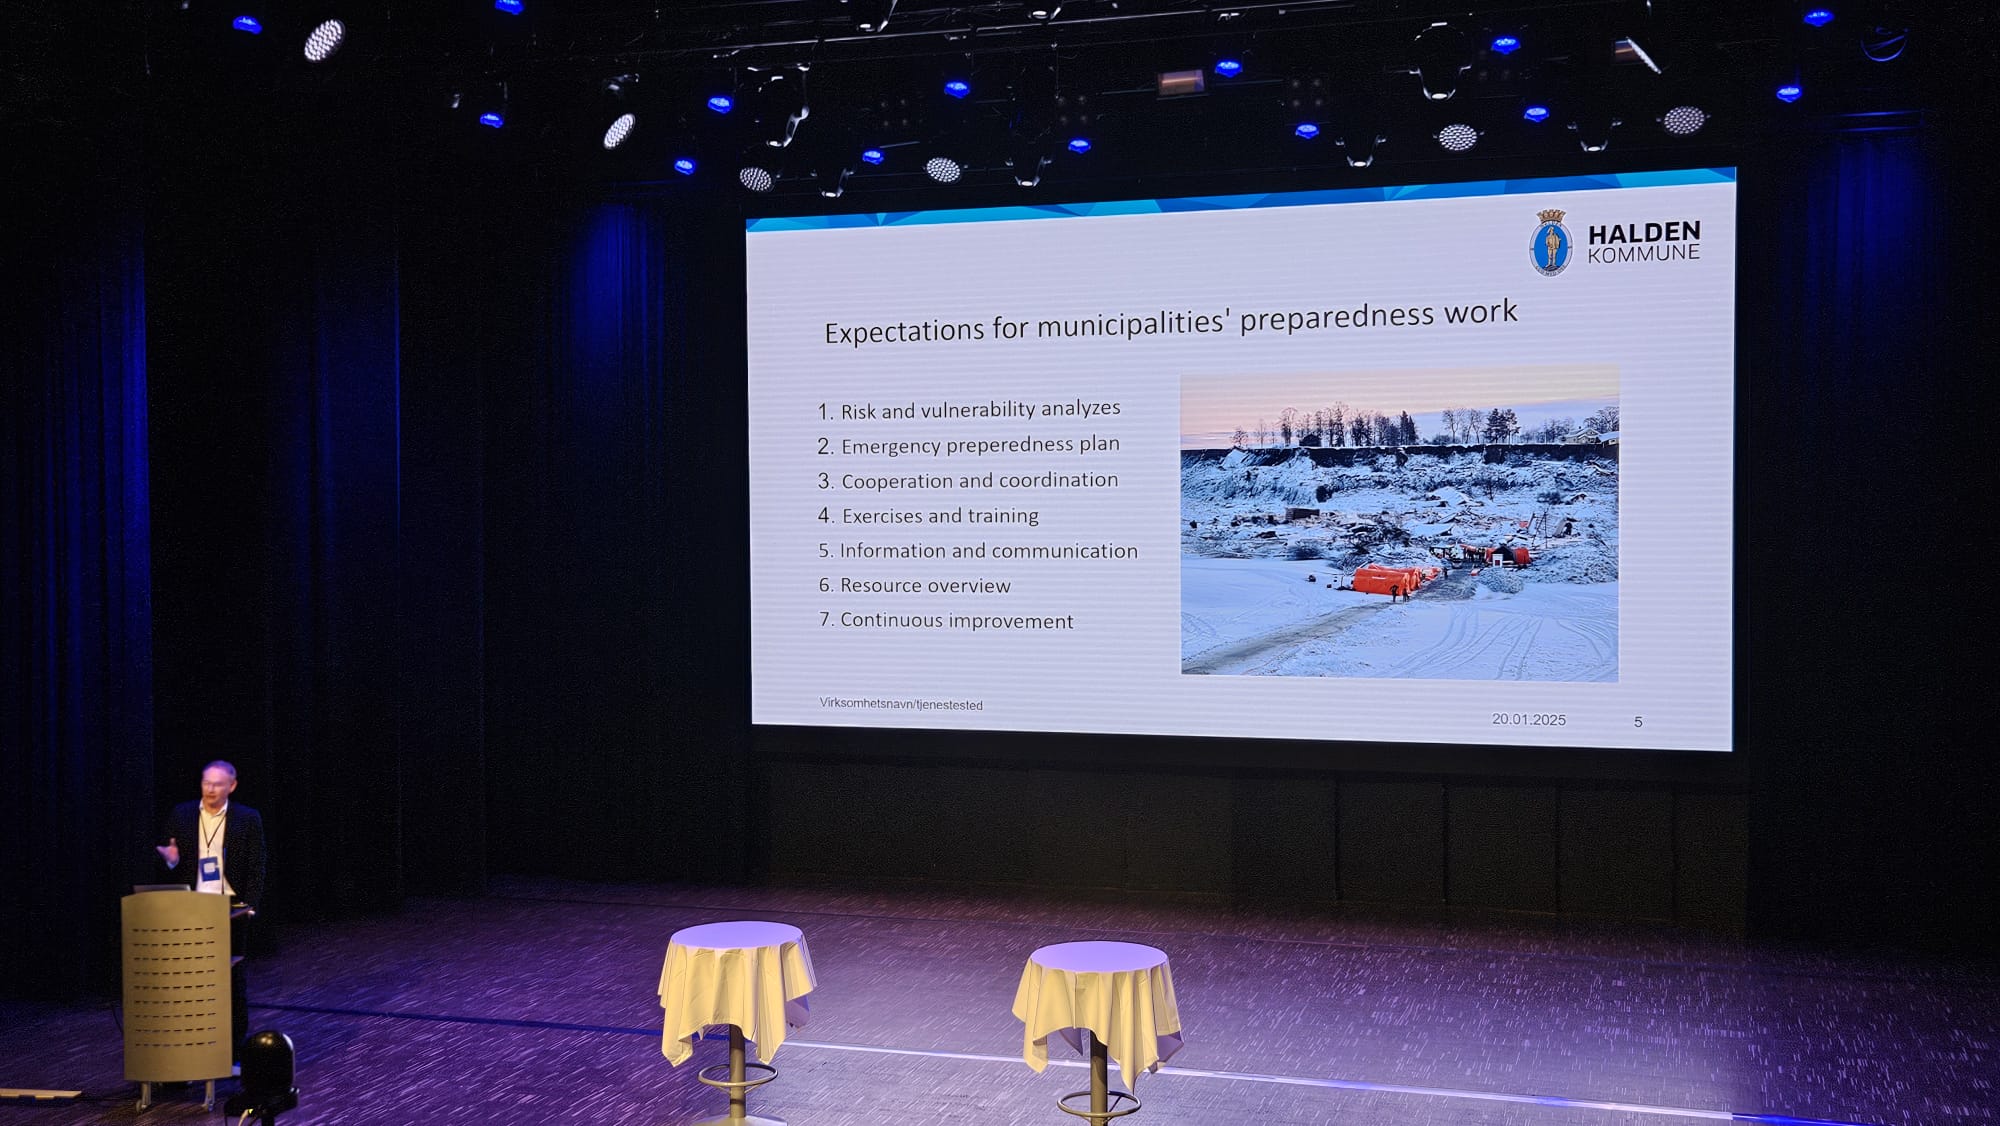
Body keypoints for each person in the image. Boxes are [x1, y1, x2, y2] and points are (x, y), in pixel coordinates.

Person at [157, 760, 266, 1062]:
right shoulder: (182, 814)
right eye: (206, 782)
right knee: (187, 981)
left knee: (230, 981)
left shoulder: (247, 818)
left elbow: (257, 865)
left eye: (218, 784)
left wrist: (250, 905)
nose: (210, 789)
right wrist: (170, 860)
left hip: (229, 908)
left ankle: (231, 1051)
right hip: (189, 907)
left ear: (232, 786)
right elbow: (169, 860)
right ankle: (189, 1048)